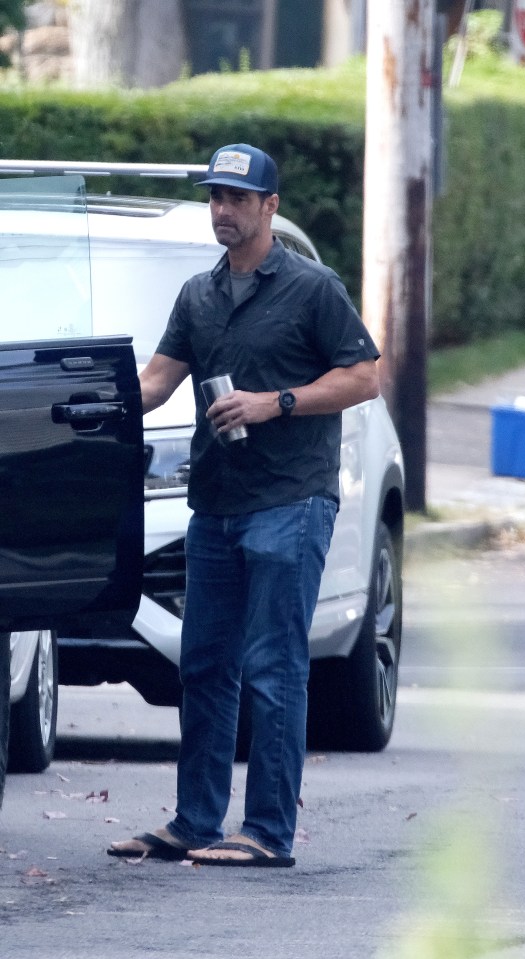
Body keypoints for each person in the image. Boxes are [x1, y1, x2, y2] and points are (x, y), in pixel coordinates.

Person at [108, 143, 380, 866]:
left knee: (274, 665)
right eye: (215, 198)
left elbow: (364, 378)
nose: (223, 210)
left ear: (270, 206)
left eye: (237, 198)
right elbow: (157, 381)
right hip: (216, 504)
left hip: (292, 501)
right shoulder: (198, 294)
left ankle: (266, 831)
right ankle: (195, 821)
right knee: (203, 664)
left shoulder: (313, 288)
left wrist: (275, 403)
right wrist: (80, 404)